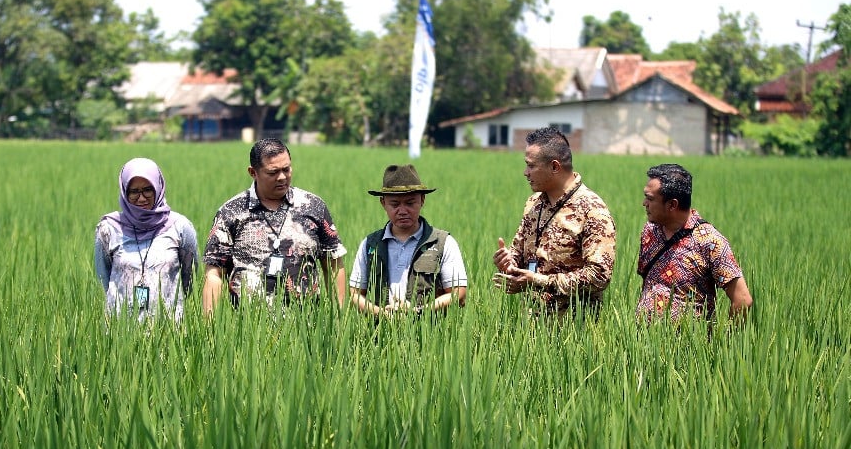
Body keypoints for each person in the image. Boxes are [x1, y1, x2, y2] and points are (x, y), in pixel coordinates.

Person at [202, 137, 347, 313]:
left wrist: (339, 318)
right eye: (273, 172)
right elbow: (214, 274)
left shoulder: (313, 206)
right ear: (253, 172)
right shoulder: (231, 212)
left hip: (305, 326)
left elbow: (333, 264)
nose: (282, 177)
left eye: (286, 169)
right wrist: (209, 329)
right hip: (247, 328)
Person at [492, 127, 616, 316]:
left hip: (574, 331)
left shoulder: (592, 211)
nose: (526, 172)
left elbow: (599, 275)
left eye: (531, 166)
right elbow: (519, 253)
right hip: (532, 327)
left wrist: (539, 281)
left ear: (555, 167)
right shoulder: (533, 204)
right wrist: (510, 264)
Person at [637, 163, 752, 322]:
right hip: (643, 342)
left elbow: (742, 300)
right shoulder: (650, 231)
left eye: (650, 198)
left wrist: (725, 342)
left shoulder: (710, 242)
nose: (644, 203)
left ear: (672, 204)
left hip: (689, 345)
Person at [348, 164, 467, 318]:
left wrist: (419, 311)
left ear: (422, 200)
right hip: (380, 333)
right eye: (395, 204)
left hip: (429, 335)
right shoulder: (370, 244)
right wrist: (382, 315)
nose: (403, 211)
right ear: (383, 203)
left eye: (410, 203)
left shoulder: (442, 242)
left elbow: (459, 294)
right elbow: (355, 294)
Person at [95, 157, 199, 321]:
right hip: (119, 330)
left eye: (147, 190)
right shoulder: (109, 229)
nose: (141, 198)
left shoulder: (180, 227)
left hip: (168, 328)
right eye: (134, 192)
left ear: (158, 188)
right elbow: (104, 278)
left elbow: (189, 278)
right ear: (124, 191)